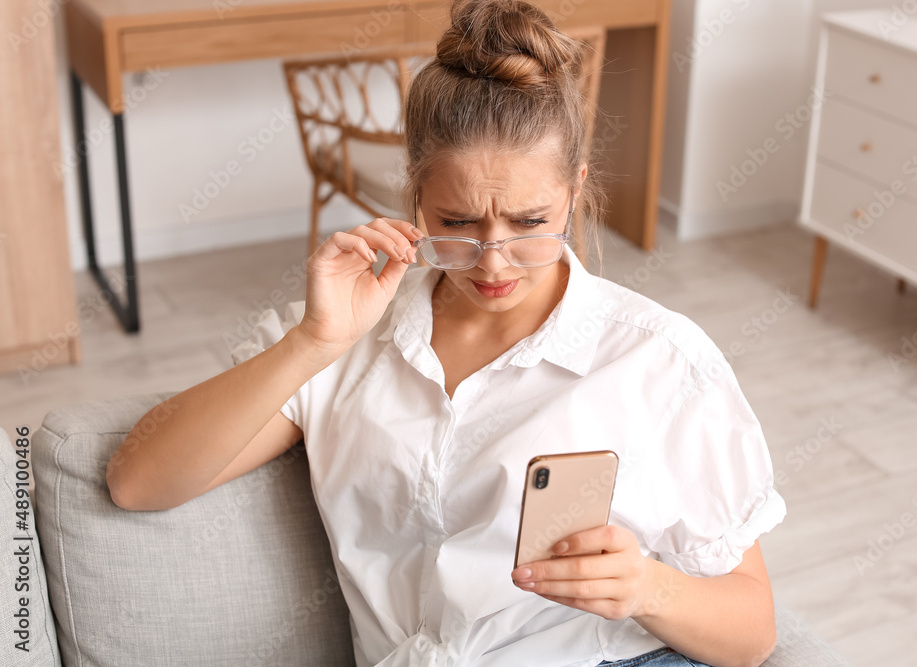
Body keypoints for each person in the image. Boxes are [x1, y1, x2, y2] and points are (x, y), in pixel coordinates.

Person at [106, 1, 787, 665]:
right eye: (457, 222)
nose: (492, 262)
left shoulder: (660, 360)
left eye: (529, 222)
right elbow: (137, 482)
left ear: (575, 190)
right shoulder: (342, 338)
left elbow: (754, 633)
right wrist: (313, 341)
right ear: (415, 194)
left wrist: (648, 589)